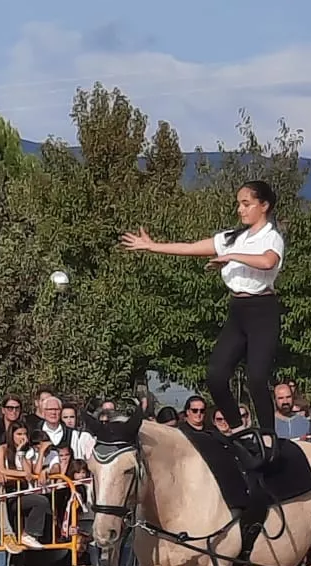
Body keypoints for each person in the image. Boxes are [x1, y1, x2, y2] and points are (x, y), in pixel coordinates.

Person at [120, 179, 286, 469]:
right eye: (239, 204)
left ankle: (269, 436)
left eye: (246, 204)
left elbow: (267, 262)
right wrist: (151, 246)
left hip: (262, 309)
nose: (240, 209)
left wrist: (231, 256)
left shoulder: (271, 237)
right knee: (215, 375)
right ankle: (238, 429)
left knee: (257, 378)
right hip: (238, 309)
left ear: (264, 206)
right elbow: (190, 247)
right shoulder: (234, 236)